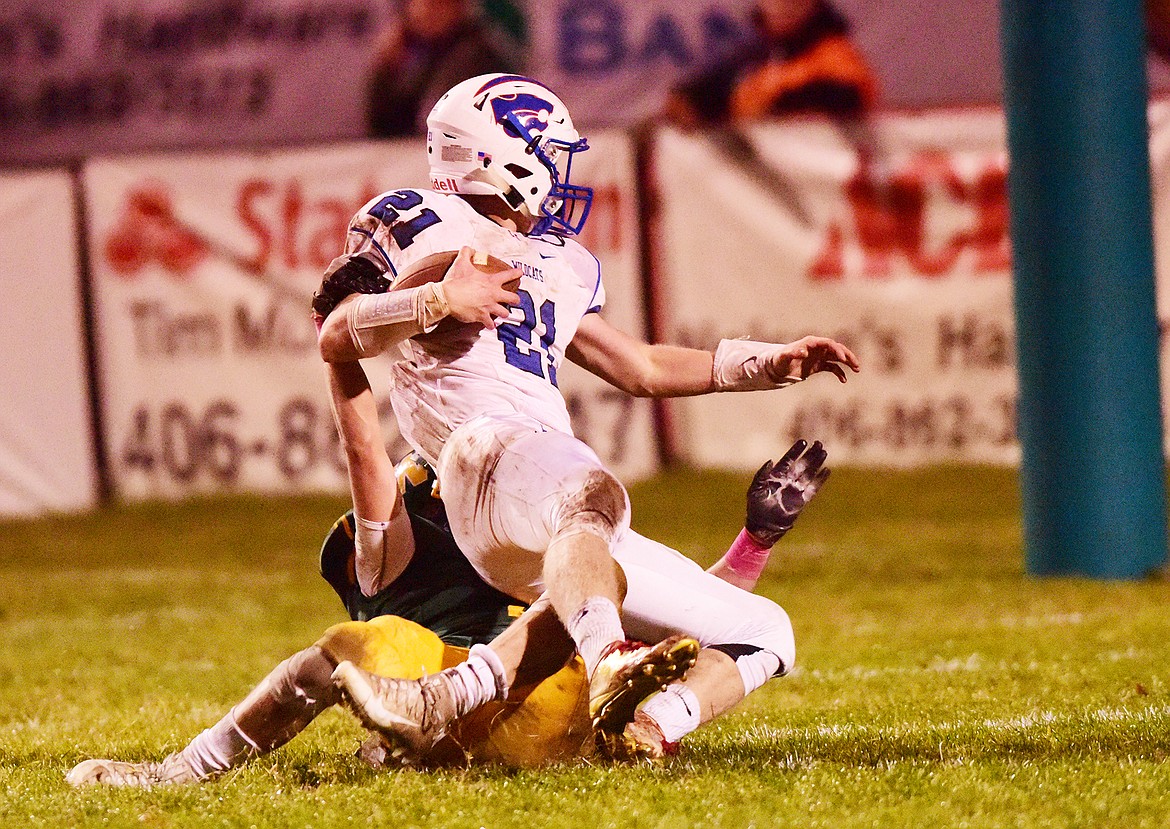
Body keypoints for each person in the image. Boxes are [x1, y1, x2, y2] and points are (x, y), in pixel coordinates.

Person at [65, 279, 832, 785]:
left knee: (343, 652)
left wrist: (346, 354)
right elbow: (674, 619)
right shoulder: (491, 489)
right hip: (542, 716)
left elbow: (690, 620)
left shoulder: (498, 494)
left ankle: (184, 770)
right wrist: (753, 544)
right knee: (588, 597)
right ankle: (641, 726)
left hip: (491, 708)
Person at [317, 72, 860, 762]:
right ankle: (610, 658)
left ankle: (646, 726)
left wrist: (765, 363)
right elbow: (339, 329)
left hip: (545, 492)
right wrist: (434, 301)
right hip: (481, 455)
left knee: (766, 630)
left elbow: (642, 367)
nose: (556, 170)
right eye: (547, 151)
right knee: (589, 491)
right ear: (500, 152)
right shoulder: (417, 220)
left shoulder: (560, 259)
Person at [664, 0, 878, 127]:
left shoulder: (835, 52)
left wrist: (776, 107)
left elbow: (843, 97)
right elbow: (705, 95)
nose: (778, 6)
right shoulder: (758, 56)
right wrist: (692, 103)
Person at [366, 0, 517, 137]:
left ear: (459, 7)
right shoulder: (410, 50)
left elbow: (431, 122)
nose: (424, 10)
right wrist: (386, 70)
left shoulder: (476, 54)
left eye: (436, 3)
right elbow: (381, 123)